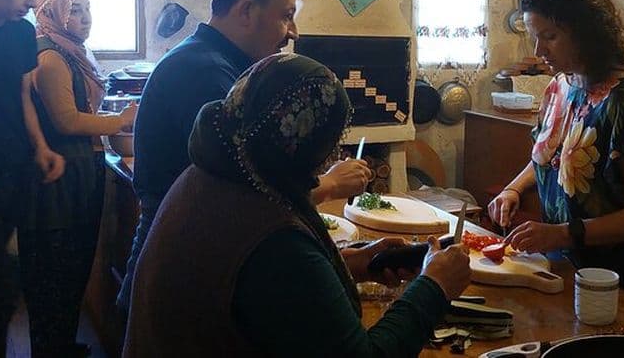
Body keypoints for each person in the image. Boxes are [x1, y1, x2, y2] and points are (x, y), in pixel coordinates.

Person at [123, 53, 472, 357]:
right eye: (329, 143)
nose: (330, 158)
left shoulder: (214, 173)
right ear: (301, 144)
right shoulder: (273, 236)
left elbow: (263, 290)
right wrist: (433, 286)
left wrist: (346, 263)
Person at [117, 0, 370, 313]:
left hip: (184, 255)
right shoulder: (205, 73)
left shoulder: (209, 59)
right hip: (181, 270)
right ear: (247, 11)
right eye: (286, 16)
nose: (294, 32)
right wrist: (330, 184)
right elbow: (245, 193)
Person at [488, 0, 624, 301]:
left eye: (550, 36)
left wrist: (564, 233)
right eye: (535, 36)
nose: (539, 50)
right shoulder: (560, 85)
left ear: (586, 32)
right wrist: (513, 188)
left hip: (613, 282)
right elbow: (552, 157)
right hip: (560, 267)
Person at [19, 0, 137, 357]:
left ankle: (59, 345)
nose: (85, 18)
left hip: (74, 170)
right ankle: (51, 348)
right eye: (74, 10)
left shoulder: (69, 52)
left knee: (71, 265)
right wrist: (121, 120)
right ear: (50, 14)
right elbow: (67, 121)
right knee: (56, 266)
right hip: (60, 177)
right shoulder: (51, 58)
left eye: (87, 9)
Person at [0, 0, 65, 357]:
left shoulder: (20, 34)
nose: (32, 0)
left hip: (12, 167)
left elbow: (22, 96)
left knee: (4, 277)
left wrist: (40, 147)